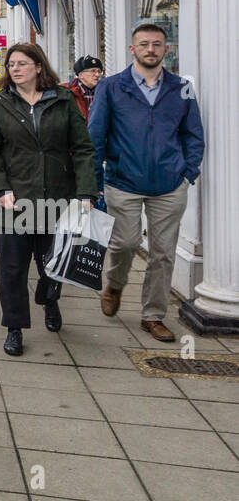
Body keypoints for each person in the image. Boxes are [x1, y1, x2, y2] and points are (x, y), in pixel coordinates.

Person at [88, 23, 206, 343]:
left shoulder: (180, 88)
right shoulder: (111, 87)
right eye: (144, 44)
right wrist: (94, 182)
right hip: (123, 181)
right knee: (125, 243)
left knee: (163, 253)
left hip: (170, 184)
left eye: (157, 44)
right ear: (132, 49)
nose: (150, 49)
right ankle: (114, 284)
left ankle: (153, 316)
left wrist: (188, 172)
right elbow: (95, 137)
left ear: (166, 50)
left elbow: (193, 134)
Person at [0, 42, 97, 357]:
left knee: (53, 264)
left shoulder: (63, 100)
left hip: (58, 197)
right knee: (12, 267)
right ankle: (14, 328)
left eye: (22, 63)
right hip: (14, 201)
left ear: (39, 67)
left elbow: (83, 148)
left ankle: (50, 300)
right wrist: (0, 189)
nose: (14, 68)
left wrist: (85, 191)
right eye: (11, 64)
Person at [66, 55, 103, 122]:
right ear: (81, 75)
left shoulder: (103, 92)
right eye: (93, 71)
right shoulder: (67, 92)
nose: (97, 75)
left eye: (99, 71)